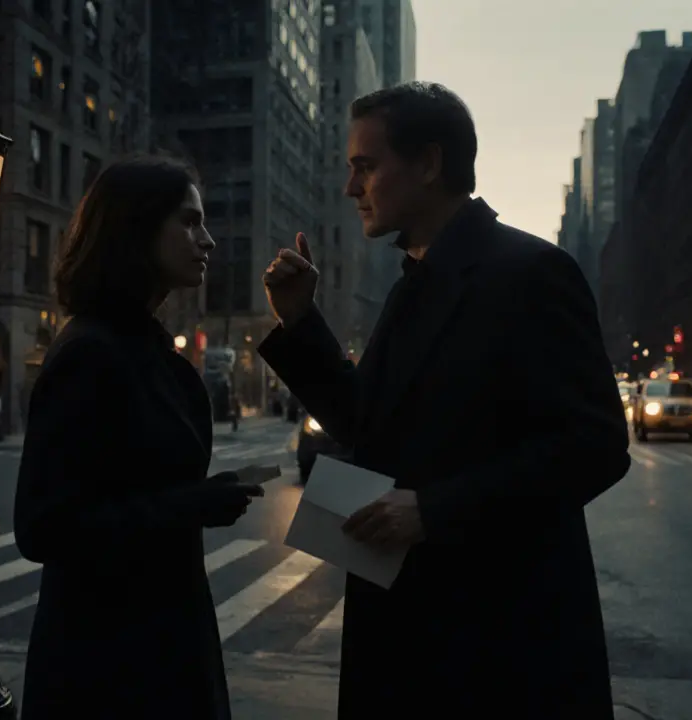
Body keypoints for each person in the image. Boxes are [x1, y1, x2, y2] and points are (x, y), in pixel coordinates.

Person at [258, 82, 630, 718]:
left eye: (366, 167)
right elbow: (363, 418)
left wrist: (435, 508)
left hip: (499, 648)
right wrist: (301, 322)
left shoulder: (531, 272)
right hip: (409, 625)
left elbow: (596, 447)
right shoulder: (415, 282)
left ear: (429, 164)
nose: (352, 189)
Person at [12, 155, 265, 720]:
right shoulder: (91, 353)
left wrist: (198, 499)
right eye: (189, 221)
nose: (208, 241)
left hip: (160, 642)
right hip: (108, 664)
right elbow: (44, 527)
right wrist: (189, 506)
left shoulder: (139, 344)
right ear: (136, 226)